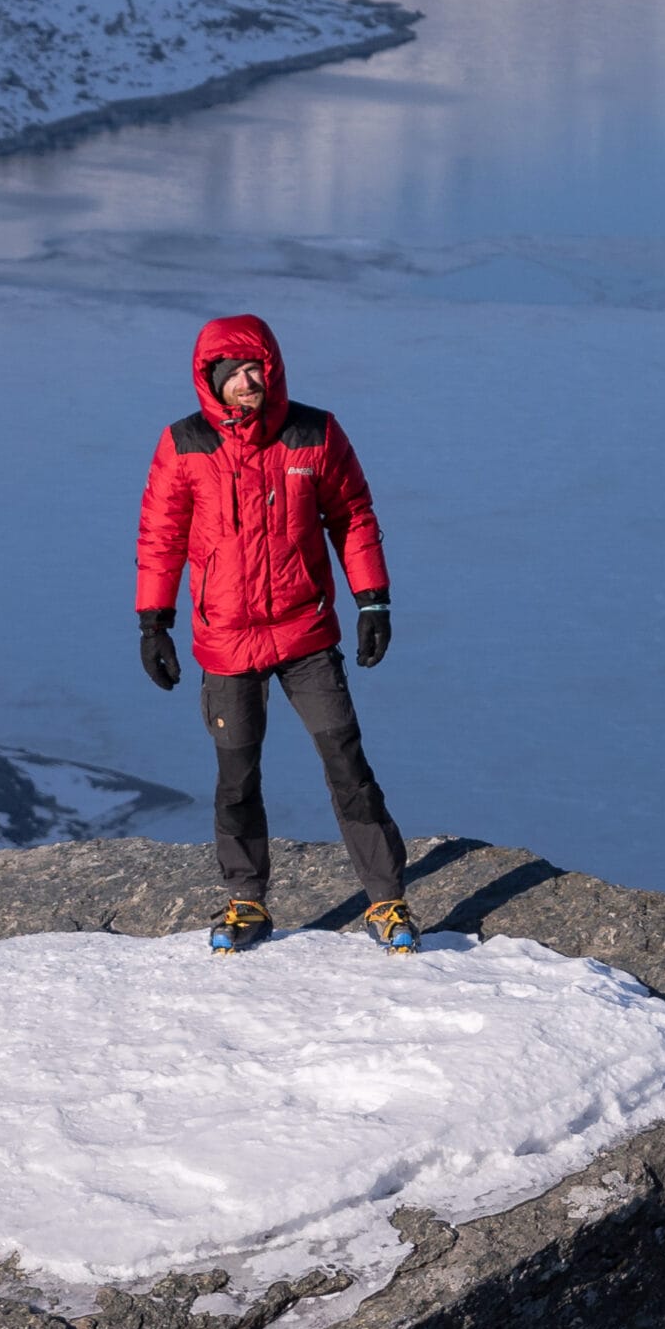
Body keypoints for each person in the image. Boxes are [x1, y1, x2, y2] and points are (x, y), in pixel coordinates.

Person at [133, 313, 418, 955]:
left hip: (305, 631)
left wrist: (373, 601)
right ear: (210, 381)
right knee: (236, 778)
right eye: (232, 374)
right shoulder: (184, 444)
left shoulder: (313, 433)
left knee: (346, 761)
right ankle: (245, 901)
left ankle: (387, 900)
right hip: (226, 639)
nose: (247, 383)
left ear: (274, 369)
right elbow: (160, 539)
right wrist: (155, 623)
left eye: (255, 369)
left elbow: (352, 515)